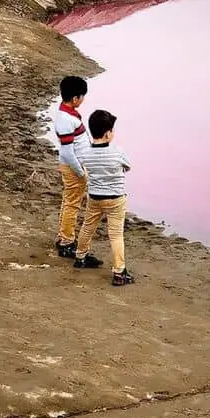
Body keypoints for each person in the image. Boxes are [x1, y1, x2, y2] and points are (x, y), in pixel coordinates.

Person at [74, 109, 135, 286]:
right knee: (116, 234)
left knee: (87, 226)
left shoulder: (86, 153)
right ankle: (119, 272)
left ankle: (80, 256)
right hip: (115, 198)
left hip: (95, 197)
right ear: (108, 134)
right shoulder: (118, 151)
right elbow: (128, 166)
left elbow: (86, 168)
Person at [53, 76, 91, 258]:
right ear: (75, 98)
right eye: (82, 96)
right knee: (72, 204)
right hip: (73, 168)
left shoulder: (67, 114)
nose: (83, 100)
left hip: (72, 166)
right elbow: (68, 153)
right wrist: (81, 172)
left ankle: (63, 236)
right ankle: (67, 240)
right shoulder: (66, 119)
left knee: (69, 201)